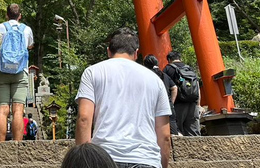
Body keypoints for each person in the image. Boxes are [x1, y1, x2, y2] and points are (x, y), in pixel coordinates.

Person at [75, 28, 171, 168]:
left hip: (104, 158)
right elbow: (165, 136)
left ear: (108, 51)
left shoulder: (92, 72)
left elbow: (84, 118)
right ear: (136, 53)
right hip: (146, 159)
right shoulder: (155, 80)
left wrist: (84, 162)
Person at [0, 3, 34, 142]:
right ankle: (17, 144)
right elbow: (30, 46)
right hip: (20, 72)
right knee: (18, 110)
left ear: (7, 15)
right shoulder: (27, 30)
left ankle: (0, 146)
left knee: (2, 110)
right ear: (20, 16)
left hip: (1, 71)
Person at [163, 50, 201, 136]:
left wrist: (170, 104)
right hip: (193, 103)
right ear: (180, 58)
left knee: (178, 131)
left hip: (178, 104)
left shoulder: (168, 69)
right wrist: (198, 104)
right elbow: (197, 86)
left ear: (169, 59)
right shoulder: (189, 68)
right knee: (193, 131)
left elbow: (166, 88)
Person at [143, 55, 178, 135]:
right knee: (173, 131)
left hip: (154, 107)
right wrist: (171, 102)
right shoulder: (164, 75)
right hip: (168, 106)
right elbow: (174, 88)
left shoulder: (146, 75)